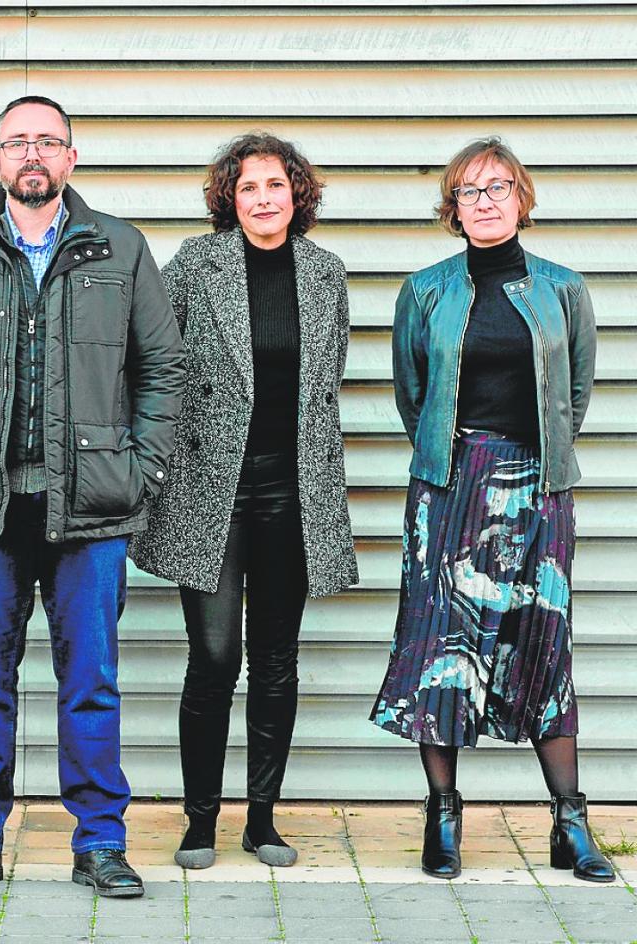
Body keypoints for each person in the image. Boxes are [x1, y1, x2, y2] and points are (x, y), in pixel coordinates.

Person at [0, 95, 184, 897]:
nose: (32, 155)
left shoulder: (118, 248)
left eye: (47, 142)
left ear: (72, 159)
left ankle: (99, 844)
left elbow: (162, 369)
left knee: (91, 682)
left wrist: (143, 470)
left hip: (91, 508)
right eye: (17, 142)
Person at [371, 138, 611, 882]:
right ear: (453, 206)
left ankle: (570, 823)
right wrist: (458, 463)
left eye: (498, 186)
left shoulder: (563, 289)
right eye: (470, 190)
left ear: (523, 198)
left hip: (540, 485)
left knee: (544, 639)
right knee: (441, 647)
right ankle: (443, 817)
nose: (484, 200)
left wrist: (538, 462)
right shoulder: (427, 291)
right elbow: (415, 396)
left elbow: (573, 393)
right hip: (450, 486)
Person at [131, 134, 358, 869]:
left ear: (299, 194)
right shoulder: (197, 266)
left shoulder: (327, 274)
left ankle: (262, 819)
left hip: (292, 492)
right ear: (229, 198)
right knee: (216, 655)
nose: (264, 197)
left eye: (276, 184)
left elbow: (327, 382)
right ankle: (200, 819)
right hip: (211, 490)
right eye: (249, 186)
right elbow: (150, 356)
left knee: (277, 661)